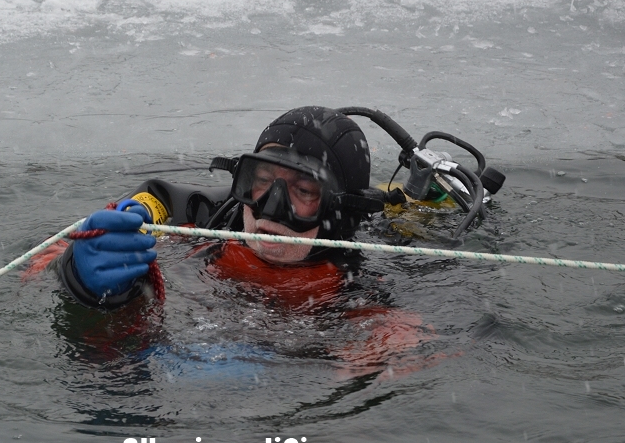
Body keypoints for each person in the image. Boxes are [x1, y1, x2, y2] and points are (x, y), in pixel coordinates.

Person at [29, 106, 434, 377]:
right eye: (261, 181)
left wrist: (386, 346)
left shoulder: (364, 283)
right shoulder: (214, 219)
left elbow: (409, 343)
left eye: (304, 191)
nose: (270, 208)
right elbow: (159, 197)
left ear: (339, 211)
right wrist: (75, 271)